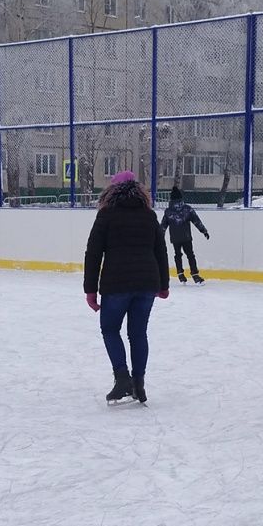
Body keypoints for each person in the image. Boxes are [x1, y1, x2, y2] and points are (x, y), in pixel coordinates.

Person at [84, 171, 170, 405]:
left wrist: (90, 290)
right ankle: (138, 384)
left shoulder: (106, 215)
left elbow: (93, 253)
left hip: (116, 284)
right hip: (147, 283)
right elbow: (160, 251)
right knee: (138, 333)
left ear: (111, 191)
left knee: (110, 329)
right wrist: (163, 284)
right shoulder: (149, 215)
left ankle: (122, 378)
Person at [161, 185, 210, 285]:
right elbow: (197, 221)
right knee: (190, 255)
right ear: (181, 197)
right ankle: (195, 275)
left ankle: (180, 275)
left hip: (175, 238)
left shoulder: (168, 211)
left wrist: (159, 237)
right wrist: (204, 231)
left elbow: (163, 226)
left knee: (178, 255)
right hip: (186, 237)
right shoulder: (187, 209)